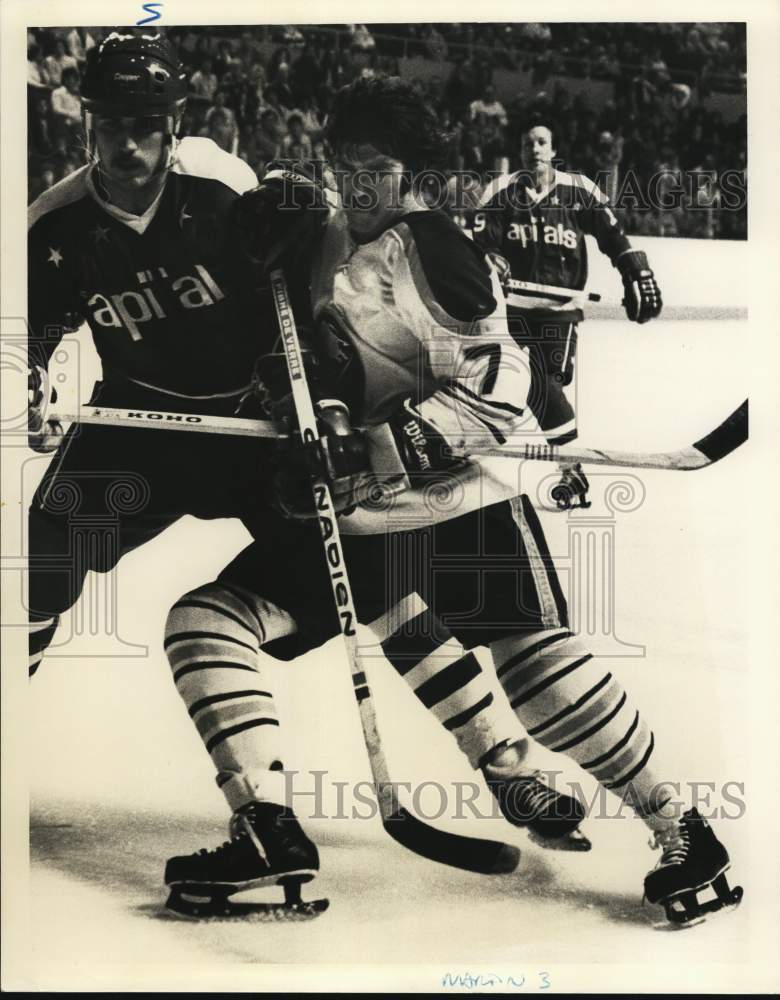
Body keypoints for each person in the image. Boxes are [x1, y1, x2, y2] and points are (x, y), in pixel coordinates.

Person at [160, 77, 739, 927]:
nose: (359, 187)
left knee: (542, 680)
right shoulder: (318, 233)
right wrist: (303, 414)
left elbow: (504, 381)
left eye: (379, 170)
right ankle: (266, 829)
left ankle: (683, 830)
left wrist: (385, 445)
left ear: (415, 172)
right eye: (344, 166)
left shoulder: (435, 249)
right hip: (352, 520)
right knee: (205, 623)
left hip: (455, 504)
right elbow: (307, 357)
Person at [26, 32, 302, 680]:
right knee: (41, 556)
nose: (126, 145)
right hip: (137, 419)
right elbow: (23, 340)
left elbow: (301, 286)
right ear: (87, 120)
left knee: (348, 557)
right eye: (111, 125)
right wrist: (23, 387)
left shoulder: (221, 185)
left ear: (174, 122)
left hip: (253, 420)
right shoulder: (52, 224)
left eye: (145, 126)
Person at [471, 122, 663, 509]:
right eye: (528, 143)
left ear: (553, 148)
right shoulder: (500, 191)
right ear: (520, 150)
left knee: (544, 384)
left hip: (559, 313)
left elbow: (614, 237)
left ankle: (570, 469)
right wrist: (490, 257)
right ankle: (571, 473)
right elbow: (481, 237)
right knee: (517, 381)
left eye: (542, 141)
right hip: (511, 311)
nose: (534, 149)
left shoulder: (580, 189)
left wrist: (635, 270)